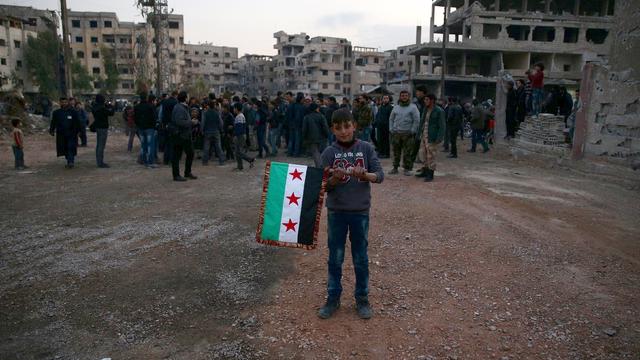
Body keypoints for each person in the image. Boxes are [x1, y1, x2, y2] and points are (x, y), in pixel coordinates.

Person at [318, 108, 384, 320]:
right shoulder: (328, 153)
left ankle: (362, 298)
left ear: (354, 125)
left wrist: (365, 175)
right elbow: (321, 187)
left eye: (347, 126)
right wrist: (334, 180)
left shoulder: (365, 148)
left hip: (360, 213)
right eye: (338, 128)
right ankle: (333, 297)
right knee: (335, 258)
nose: (344, 131)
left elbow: (380, 176)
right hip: (336, 213)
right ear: (332, 130)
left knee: (361, 258)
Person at [388, 90, 420, 175]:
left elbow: (416, 120)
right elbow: (391, 119)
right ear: (400, 97)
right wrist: (391, 129)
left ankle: (407, 169)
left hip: (408, 134)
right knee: (396, 152)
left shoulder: (413, 107)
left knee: (408, 152)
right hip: (396, 133)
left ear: (409, 97)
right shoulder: (396, 107)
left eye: (406, 95)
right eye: (402, 95)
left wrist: (413, 130)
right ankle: (395, 168)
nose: (404, 97)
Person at [415, 94, 445, 182]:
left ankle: (430, 173)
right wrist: (418, 134)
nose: (425, 101)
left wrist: (439, 137)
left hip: (432, 136)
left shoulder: (439, 111)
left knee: (431, 155)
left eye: (427, 100)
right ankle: (425, 170)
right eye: (425, 100)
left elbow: (442, 126)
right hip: (424, 135)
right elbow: (422, 122)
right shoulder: (425, 109)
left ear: (432, 100)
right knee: (423, 154)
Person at [170, 91, 198, 181]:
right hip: (180, 135)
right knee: (177, 155)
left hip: (184, 135)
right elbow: (179, 122)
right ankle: (176, 175)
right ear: (185, 98)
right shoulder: (179, 108)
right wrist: (191, 122)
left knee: (190, 153)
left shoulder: (182, 107)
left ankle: (187, 172)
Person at [50, 97, 81, 168]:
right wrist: (51, 130)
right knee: (65, 148)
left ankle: (71, 161)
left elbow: (77, 122)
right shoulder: (57, 113)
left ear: (68, 102)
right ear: (60, 103)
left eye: (65, 102)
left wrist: (79, 131)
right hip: (61, 133)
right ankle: (69, 160)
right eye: (62, 102)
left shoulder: (73, 112)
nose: (64, 104)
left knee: (71, 147)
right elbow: (53, 122)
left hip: (72, 133)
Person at [302, 102, 330, 167]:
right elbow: (325, 127)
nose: (318, 109)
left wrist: (304, 138)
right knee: (322, 153)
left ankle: (319, 166)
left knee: (315, 153)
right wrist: (327, 135)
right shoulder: (321, 116)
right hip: (322, 138)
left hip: (311, 138)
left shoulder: (307, 117)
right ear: (315, 108)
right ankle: (323, 166)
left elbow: (304, 129)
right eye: (317, 108)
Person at [134, 92, 158, 168]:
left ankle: (144, 161)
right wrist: (154, 127)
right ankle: (150, 162)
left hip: (141, 128)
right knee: (150, 145)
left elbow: (136, 118)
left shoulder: (137, 107)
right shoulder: (150, 106)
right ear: (146, 97)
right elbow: (154, 118)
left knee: (143, 145)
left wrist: (139, 125)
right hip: (149, 128)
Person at [91, 94, 115, 168]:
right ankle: (100, 163)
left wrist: (107, 105)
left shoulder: (95, 107)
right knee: (101, 145)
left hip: (98, 126)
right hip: (103, 128)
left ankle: (99, 161)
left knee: (99, 145)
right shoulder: (102, 108)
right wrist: (112, 106)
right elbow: (111, 113)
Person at [232, 102, 255, 170]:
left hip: (240, 136)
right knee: (237, 152)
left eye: (234, 108)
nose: (233, 109)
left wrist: (235, 135)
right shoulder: (240, 115)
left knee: (238, 152)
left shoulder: (239, 116)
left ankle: (250, 160)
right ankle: (240, 166)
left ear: (236, 109)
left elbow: (239, 128)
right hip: (241, 135)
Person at [202, 100, 225, 165]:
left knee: (206, 147)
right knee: (218, 147)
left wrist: (201, 130)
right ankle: (221, 161)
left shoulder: (205, 113)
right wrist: (221, 129)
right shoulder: (217, 113)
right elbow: (221, 123)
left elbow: (203, 123)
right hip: (216, 131)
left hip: (207, 131)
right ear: (214, 106)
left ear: (208, 106)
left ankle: (205, 161)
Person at [160, 91, 179, 165]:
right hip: (173, 124)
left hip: (166, 124)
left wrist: (162, 123)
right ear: (175, 95)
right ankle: (171, 159)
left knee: (167, 143)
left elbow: (161, 114)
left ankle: (165, 160)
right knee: (172, 143)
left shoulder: (164, 102)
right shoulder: (175, 103)